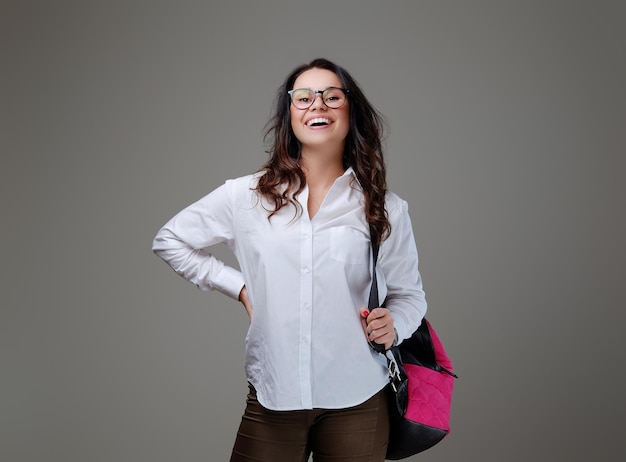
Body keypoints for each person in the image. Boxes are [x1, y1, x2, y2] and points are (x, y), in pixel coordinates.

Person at [152, 58, 427, 462]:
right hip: (273, 395)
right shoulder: (245, 196)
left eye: (332, 96)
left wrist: (395, 324)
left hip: (358, 399)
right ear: (290, 115)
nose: (318, 105)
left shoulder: (385, 207)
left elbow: (410, 297)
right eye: (304, 97)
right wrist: (241, 289)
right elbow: (170, 239)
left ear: (351, 111)